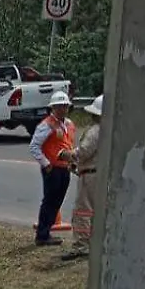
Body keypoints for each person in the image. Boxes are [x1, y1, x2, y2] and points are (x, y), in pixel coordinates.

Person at [29, 91, 77, 246]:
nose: (63, 109)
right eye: (60, 107)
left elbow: (69, 145)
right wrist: (46, 164)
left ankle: (47, 231)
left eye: (65, 106)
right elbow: (34, 146)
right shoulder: (47, 125)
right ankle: (42, 235)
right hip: (52, 169)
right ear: (53, 108)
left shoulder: (69, 124)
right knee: (49, 201)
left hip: (64, 168)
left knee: (57, 201)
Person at [64, 95, 103, 261]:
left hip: (90, 176)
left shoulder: (95, 131)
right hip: (100, 174)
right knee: (98, 211)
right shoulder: (112, 130)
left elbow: (84, 152)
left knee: (83, 212)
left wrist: (69, 155)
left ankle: (81, 245)